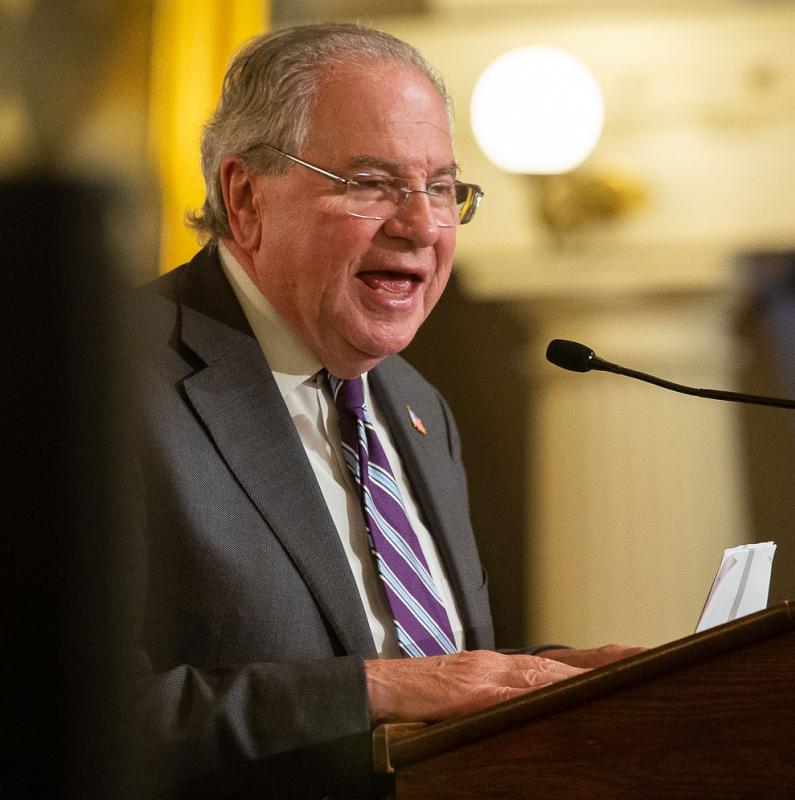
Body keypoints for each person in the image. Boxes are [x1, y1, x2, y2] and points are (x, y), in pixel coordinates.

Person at [126, 22, 640, 799]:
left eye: (440, 187)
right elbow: (64, 721)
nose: (422, 225)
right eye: (371, 182)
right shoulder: (109, 381)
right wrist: (375, 691)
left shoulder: (413, 403)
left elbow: (416, 681)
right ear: (245, 195)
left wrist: (536, 680)